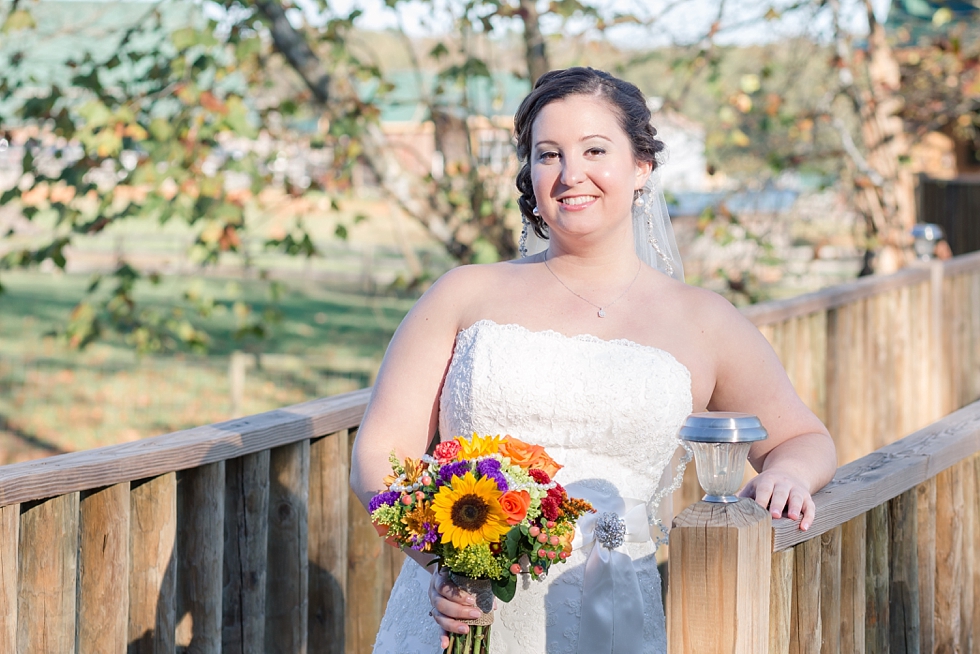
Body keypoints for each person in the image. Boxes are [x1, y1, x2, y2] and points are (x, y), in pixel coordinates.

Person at [350, 67, 837, 654]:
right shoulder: (462, 294)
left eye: (595, 150)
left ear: (641, 167)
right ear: (529, 173)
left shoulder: (703, 320)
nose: (570, 174)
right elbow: (378, 456)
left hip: (610, 618)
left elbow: (803, 436)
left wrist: (788, 475)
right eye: (548, 154)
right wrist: (443, 563)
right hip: (459, 614)